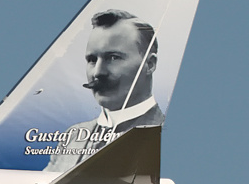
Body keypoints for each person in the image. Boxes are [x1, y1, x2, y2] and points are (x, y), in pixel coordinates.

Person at [46, 9, 163, 171]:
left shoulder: (160, 133)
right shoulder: (73, 136)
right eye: (92, 60)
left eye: (113, 57)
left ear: (150, 64)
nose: (98, 72)